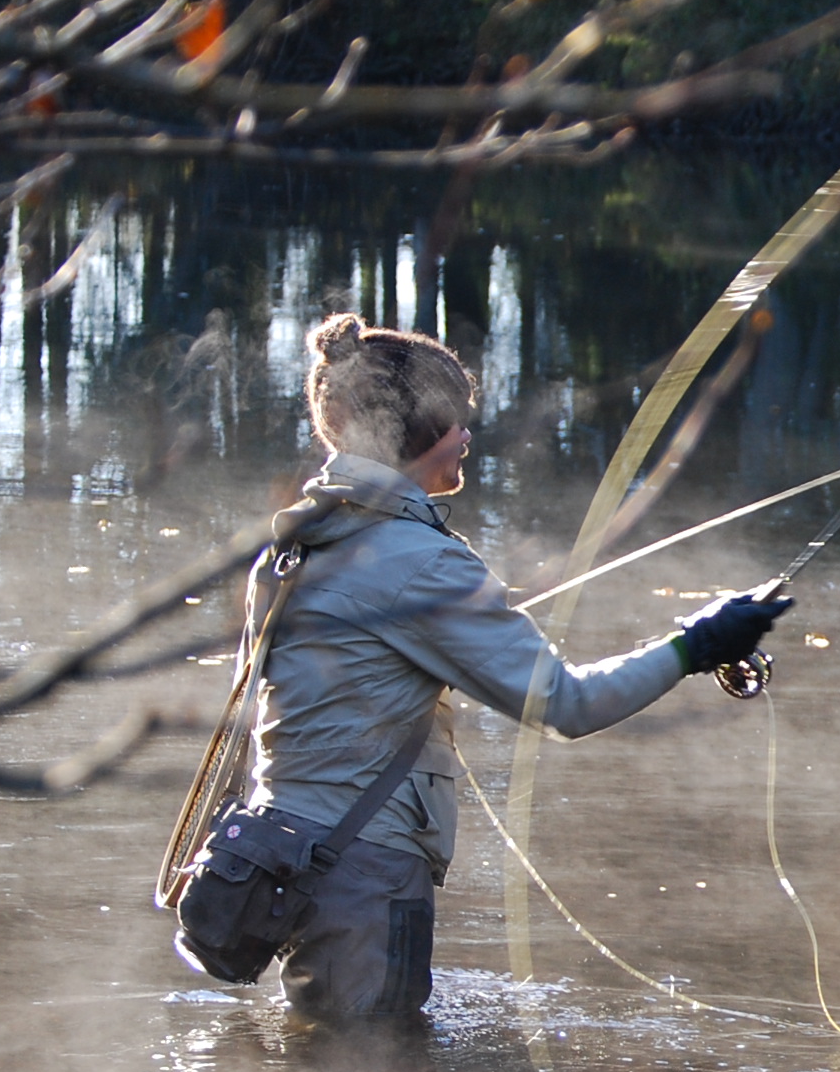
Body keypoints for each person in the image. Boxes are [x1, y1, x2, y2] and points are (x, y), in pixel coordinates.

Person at [233, 312, 786, 1028]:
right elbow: (566, 705)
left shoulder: (293, 546)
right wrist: (698, 644)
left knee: (323, 1059)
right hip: (365, 875)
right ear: (416, 430)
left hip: (285, 857)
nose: (468, 436)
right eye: (457, 420)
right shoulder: (422, 562)